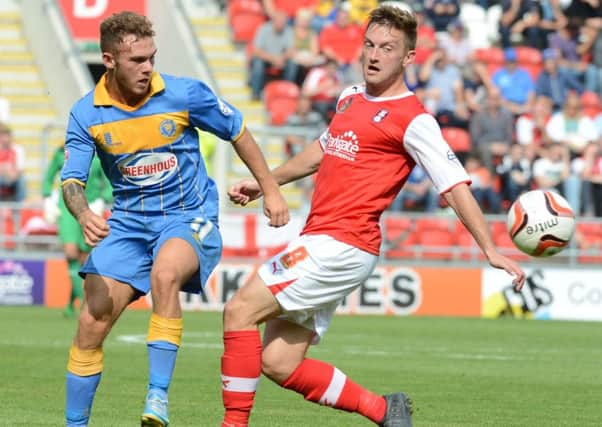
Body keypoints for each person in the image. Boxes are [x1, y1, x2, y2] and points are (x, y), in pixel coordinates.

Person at [220, 6, 526, 427]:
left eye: (387, 48)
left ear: (408, 57)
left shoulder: (414, 120)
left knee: (238, 311)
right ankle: (385, 411)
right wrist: (266, 182)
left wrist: (490, 248)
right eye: (369, 45)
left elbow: (454, 185)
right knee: (278, 362)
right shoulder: (350, 97)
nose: (374, 55)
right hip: (323, 239)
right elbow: (320, 151)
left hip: (342, 243)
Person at [60, 11, 289, 427]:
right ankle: (75, 424)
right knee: (91, 319)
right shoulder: (87, 113)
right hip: (129, 224)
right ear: (109, 60)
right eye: (137, 60)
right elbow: (72, 180)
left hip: (188, 216)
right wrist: (82, 213)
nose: (148, 67)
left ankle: (157, 398)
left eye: (152, 57)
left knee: (166, 273)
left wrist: (270, 188)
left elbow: (237, 130)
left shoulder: (184, 94)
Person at [42, 145, 112, 317]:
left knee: (84, 258)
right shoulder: (61, 154)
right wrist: (47, 198)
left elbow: (108, 182)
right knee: (71, 252)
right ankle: (83, 302)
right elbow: (49, 176)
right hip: (67, 207)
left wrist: (104, 199)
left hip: (92, 207)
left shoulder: (100, 154)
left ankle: (70, 303)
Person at [0, 123, 25, 202]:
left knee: (21, 180)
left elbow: (20, 168)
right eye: (2, 136)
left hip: (13, 177)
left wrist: (14, 174)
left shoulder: (17, 149)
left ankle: (18, 209)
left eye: (6, 136)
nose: (5, 139)